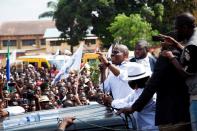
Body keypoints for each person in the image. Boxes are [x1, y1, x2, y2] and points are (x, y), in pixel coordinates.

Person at [117, 13, 192, 131]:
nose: (161, 43)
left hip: (170, 118)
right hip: (187, 114)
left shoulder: (165, 58)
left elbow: (152, 86)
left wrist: (133, 108)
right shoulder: (187, 57)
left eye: (163, 41)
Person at [159, 12, 197, 131]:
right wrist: (175, 44)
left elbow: (185, 72)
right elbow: (191, 57)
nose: (175, 31)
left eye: (177, 28)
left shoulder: (192, 44)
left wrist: (171, 57)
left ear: (185, 28)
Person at [111, 63, 158, 130]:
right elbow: (125, 100)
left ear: (135, 83)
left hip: (152, 128)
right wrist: (113, 102)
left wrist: (111, 102)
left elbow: (128, 106)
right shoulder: (137, 91)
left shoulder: (145, 94)